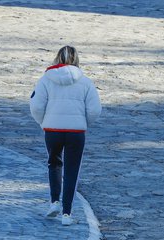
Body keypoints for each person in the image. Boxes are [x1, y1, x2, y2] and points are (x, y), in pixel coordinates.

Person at [30, 45, 101, 226]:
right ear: (76, 60)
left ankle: (54, 202)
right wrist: (84, 123)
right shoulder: (85, 82)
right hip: (76, 132)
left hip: (52, 131)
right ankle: (67, 214)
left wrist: (43, 123)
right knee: (72, 170)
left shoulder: (46, 80)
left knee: (54, 163)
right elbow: (94, 110)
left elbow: (36, 106)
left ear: (57, 58)